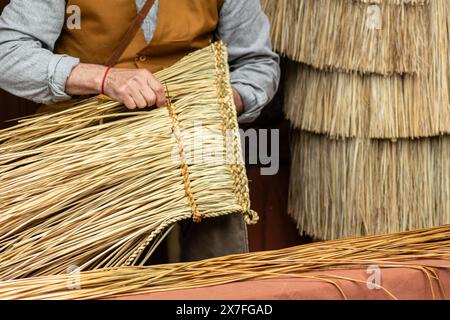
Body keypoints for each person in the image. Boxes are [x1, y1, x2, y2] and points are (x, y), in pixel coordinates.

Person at [0, 0, 280, 262]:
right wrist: (103, 79)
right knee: (87, 277)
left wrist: (224, 98)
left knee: (213, 272)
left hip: (192, 150)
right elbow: (8, 53)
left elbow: (257, 65)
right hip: (85, 146)